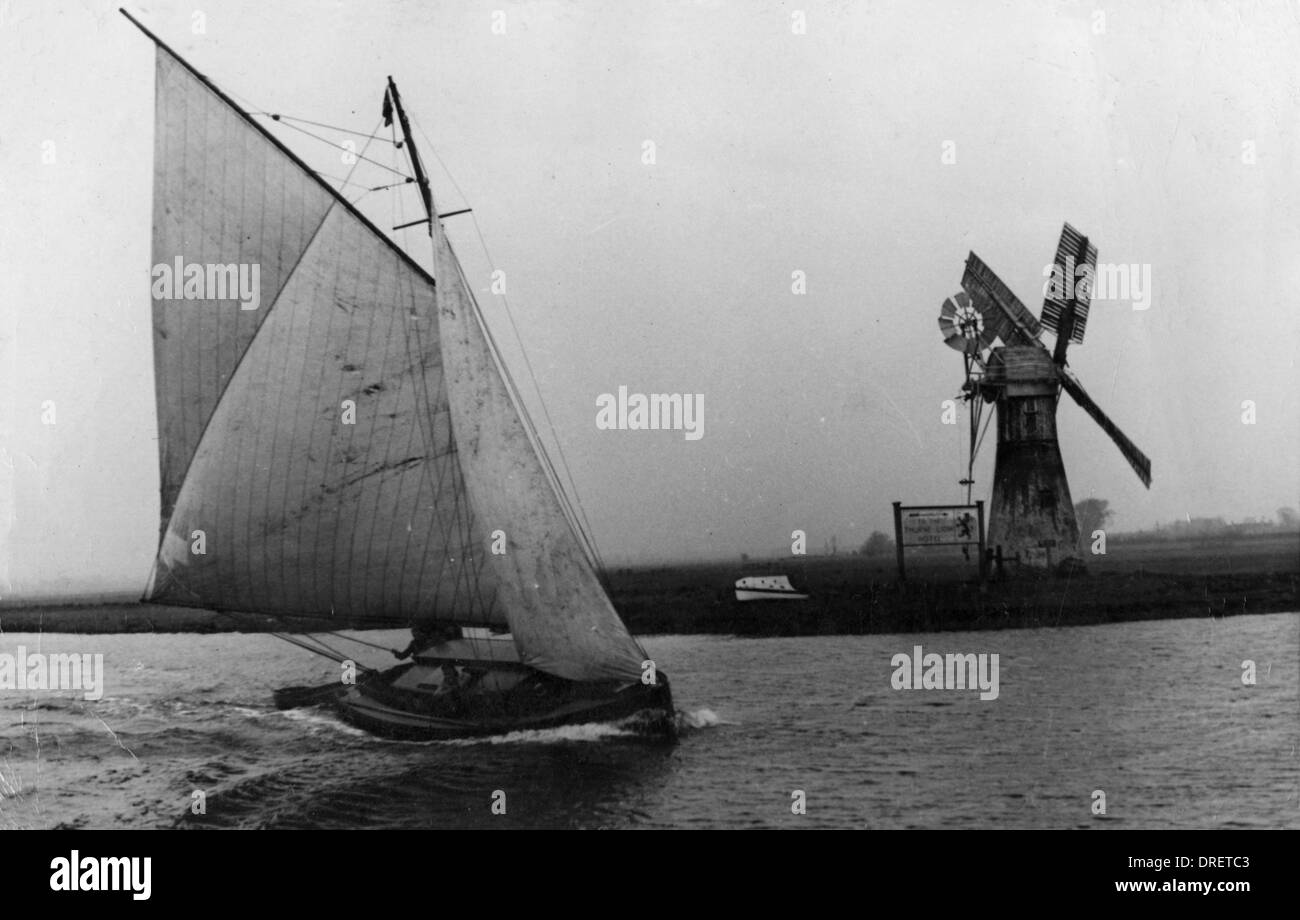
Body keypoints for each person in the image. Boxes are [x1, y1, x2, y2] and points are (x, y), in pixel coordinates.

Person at [393, 621, 460, 660]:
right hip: (422, 665)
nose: (415, 636)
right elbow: (403, 656)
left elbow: (448, 652)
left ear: (423, 633)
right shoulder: (414, 644)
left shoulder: (434, 641)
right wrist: (396, 653)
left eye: (417, 634)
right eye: (414, 635)